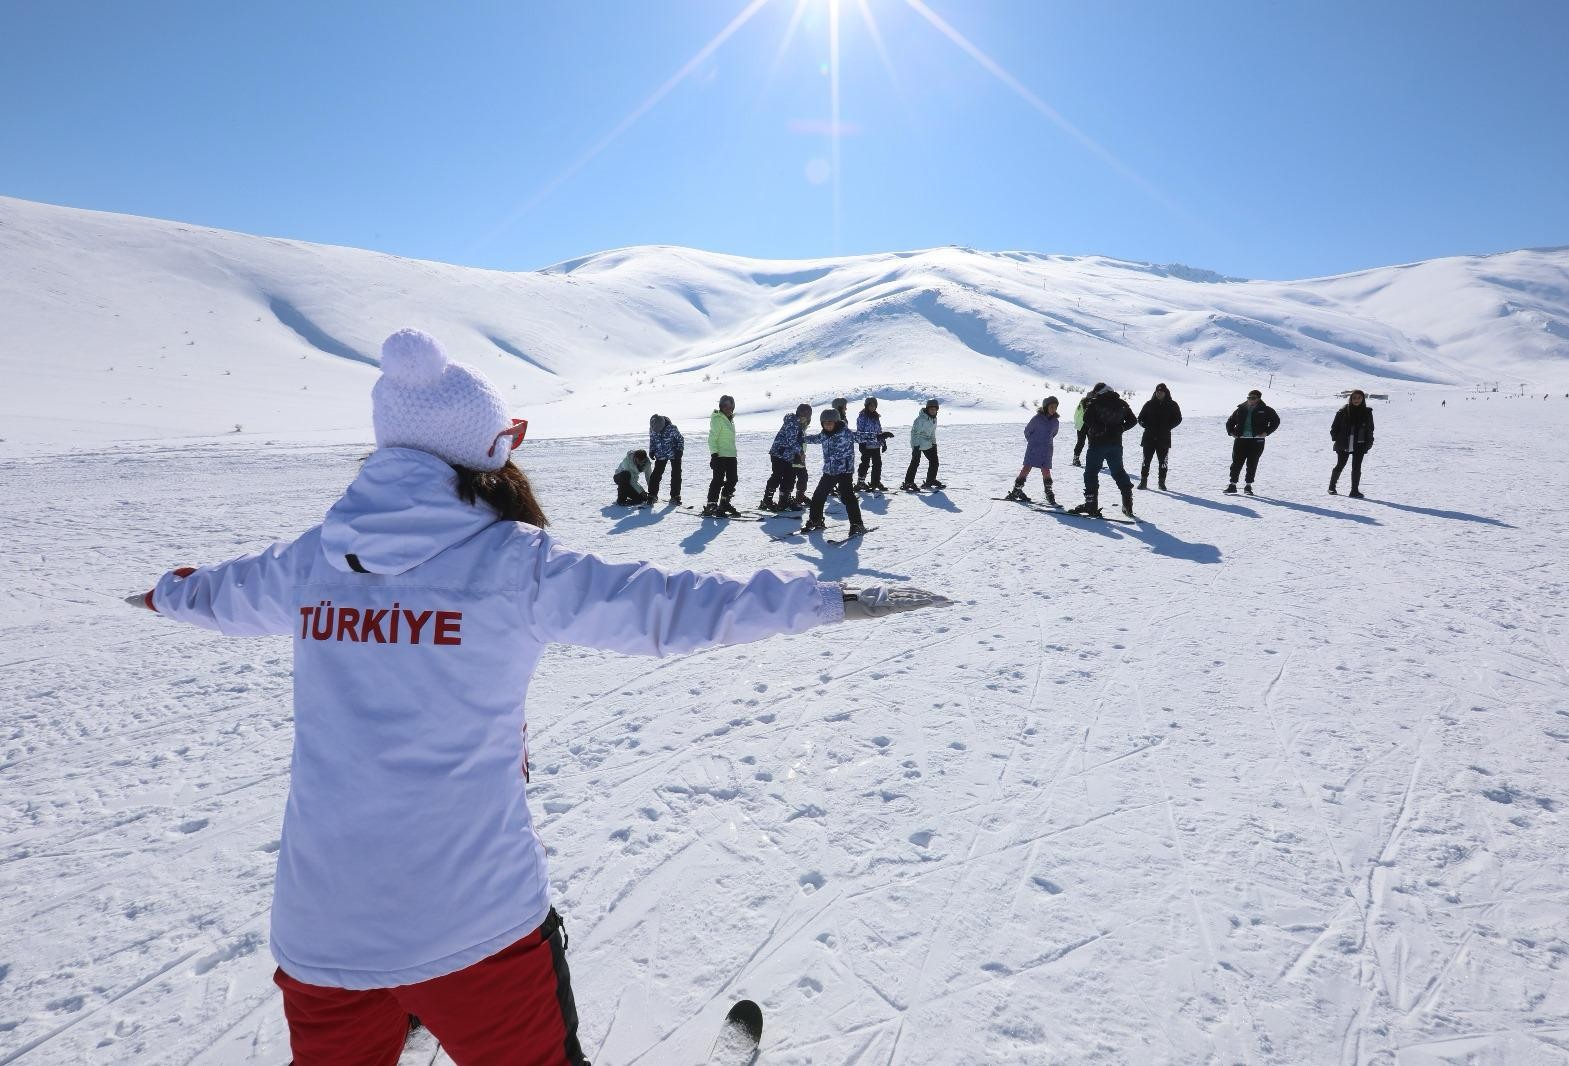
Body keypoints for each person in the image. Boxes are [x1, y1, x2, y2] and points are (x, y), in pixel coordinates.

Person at [121, 329, 951, 1066]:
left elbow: (214, 594)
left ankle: (406, 998)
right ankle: (423, 993)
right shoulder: (513, 561)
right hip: (473, 926)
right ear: (486, 449)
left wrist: (162, 593)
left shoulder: (312, 560)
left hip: (322, 930)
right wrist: (832, 598)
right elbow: (673, 607)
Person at [1069, 383, 1138, 518]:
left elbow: (1086, 418)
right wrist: (1120, 429)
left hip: (1097, 444)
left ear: (1099, 392)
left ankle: (1091, 505)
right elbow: (1133, 420)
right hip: (1115, 445)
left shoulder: (1095, 402)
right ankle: (1128, 504)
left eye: (1095, 392)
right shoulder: (1121, 403)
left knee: (1091, 473)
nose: (1094, 394)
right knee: (1118, 472)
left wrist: (1097, 427)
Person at [800, 408, 868, 538]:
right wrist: (801, 439)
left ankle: (857, 524)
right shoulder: (824, 435)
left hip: (844, 472)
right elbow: (814, 439)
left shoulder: (846, 433)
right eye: (825, 423)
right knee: (818, 496)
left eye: (830, 422)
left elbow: (862, 436)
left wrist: (879, 436)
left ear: (836, 422)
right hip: (829, 472)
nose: (827, 425)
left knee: (848, 497)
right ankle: (816, 520)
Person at [1224, 389, 1280, 495]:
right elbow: (1230, 422)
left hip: (1257, 441)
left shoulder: (1266, 410)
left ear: (1258, 399)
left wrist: (1266, 432)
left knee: (1252, 463)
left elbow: (1276, 421)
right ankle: (1232, 485)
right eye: (1249, 397)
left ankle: (1248, 486)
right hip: (1241, 440)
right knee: (1236, 463)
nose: (1250, 400)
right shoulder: (1241, 409)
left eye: (1253, 398)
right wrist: (1231, 432)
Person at [1006, 396, 1060, 505]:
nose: (1053, 409)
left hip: (1047, 450)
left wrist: (1046, 442)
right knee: (1026, 468)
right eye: (1051, 407)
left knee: (1046, 470)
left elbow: (1053, 434)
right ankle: (1016, 490)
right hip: (1033, 448)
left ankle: (1049, 493)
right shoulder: (1037, 419)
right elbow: (1027, 431)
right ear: (1046, 407)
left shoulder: (1055, 422)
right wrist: (1033, 442)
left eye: (1055, 407)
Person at [760, 403, 811, 511]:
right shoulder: (792, 421)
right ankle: (766, 500)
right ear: (798, 413)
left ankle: (784, 501)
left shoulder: (800, 426)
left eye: (806, 415)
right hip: (779, 453)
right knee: (777, 476)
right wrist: (800, 452)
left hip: (789, 456)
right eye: (802, 413)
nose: (804, 416)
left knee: (790, 477)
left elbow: (800, 441)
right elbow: (790, 440)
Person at [1136, 384, 1183, 491]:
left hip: (1163, 438)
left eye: (1161, 392)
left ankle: (1161, 483)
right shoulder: (1149, 404)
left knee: (1163, 462)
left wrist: (1168, 427)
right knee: (1146, 461)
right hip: (1149, 437)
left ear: (1166, 393)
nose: (1159, 393)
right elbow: (1140, 418)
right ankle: (1143, 482)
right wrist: (1145, 425)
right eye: (1157, 391)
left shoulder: (1172, 405)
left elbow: (1178, 418)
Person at [1329, 390, 1375, 498]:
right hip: (1344, 443)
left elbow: (1370, 429)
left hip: (1360, 444)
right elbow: (1334, 428)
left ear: (1363, 399)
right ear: (1350, 399)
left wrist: (1369, 443)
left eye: (1359, 398)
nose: (1356, 400)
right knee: (1340, 464)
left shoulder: (1367, 412)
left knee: (1357, 467)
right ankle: (1332, 487)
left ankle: (1354, 491)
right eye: (1354, 398)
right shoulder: (1343, 411)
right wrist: (1337, 439)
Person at [705, 394, 740, 516]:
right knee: (718, 480)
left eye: (730, 406)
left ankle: (724, 503)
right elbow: (712, 438)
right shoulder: (718, 419)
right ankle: (711, 505)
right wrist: (714, 455)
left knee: (733, 479)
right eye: (725, 405)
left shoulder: (730, 420)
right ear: (721, 406)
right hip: (720, 456)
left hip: (731, 455)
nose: (727, 408)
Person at [901, 399, 942, 492]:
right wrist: (915, 447)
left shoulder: (934, 419)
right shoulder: (920, 420)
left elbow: (932, 433)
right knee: (915, 462)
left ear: (937, 410)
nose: (933, 411)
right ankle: (908, 482)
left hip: (928, 443)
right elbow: (914, 434)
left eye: (934, 409)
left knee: (934, 461)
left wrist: (934, 443)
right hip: (918, 443)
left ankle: (930, 480)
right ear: (927, 409)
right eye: (931, 409)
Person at [853, 397, 893, 492]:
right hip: (866, 445)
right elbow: (859, 433)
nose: (872, 407)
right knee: (865, 463)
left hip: (876, 445)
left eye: (874, 406)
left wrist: (883, 442)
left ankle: (875, 482)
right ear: (866, 406)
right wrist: (862, 443)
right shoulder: (862, 417)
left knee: (877, 464)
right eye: (870, 405)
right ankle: (860, 482)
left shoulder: (876, 417)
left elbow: (879, 431)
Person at [646, 414, 684, 505]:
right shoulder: (652, 429)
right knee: (656, 474)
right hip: (660, 454)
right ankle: (652, 495)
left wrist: (679, 450)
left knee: (676, 474)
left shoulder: (672, 428)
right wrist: (651, 451)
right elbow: (652, 440)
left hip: (674, 453)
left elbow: (680, 439)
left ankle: (675, 496)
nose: (656, 431)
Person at [1071, 394, 1090, 467]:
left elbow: (1076, 415)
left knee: (1080, 442)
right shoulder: (1089, 403)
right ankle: (1093, 460)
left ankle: (1075, 458)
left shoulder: (1080, 404)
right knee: (1091, 443)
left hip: (1081, 426)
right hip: (1087, 425)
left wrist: (1077, 423)